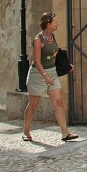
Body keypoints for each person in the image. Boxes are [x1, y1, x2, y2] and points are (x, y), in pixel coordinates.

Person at [22, 11, 78, 142]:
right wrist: (45, 76)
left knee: (58, 102)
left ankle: (65, 133)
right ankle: (26, 130)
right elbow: (37, 60)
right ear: (48, 24)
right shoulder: (38, 40)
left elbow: (55, 54)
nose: (57, 23)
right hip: (38, 74)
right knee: (33, 104)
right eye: (55, 22)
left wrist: (66, 66)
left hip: (52, 72)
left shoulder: (52, 37)